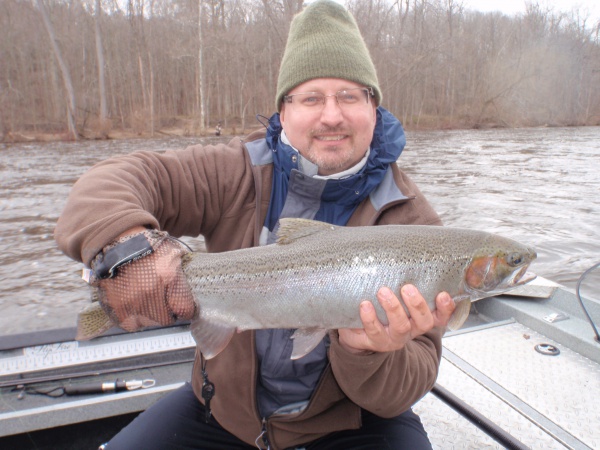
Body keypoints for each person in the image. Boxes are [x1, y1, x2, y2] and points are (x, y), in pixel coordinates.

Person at [55, 1, 455, 449]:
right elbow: (108, 183)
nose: (332, 115)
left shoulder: (413, 222)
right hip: (221, 413)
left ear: (373, 108)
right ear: (284, 111)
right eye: (311, 98)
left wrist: (365, 351)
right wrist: (127, 249)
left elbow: (408, 385)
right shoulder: (235, 171)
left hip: (351, 424)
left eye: (349, 96)